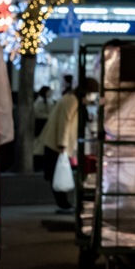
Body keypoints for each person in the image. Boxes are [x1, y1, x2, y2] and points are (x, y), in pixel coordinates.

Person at [38, 77, 99, 211]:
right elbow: (64, 123)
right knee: (57, 172)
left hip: (57, 142)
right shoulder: (72, 101)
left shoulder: (73, 99)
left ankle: (63, 203)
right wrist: (62, 144)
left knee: (57, 171)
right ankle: (63, 203)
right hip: (57, 143)